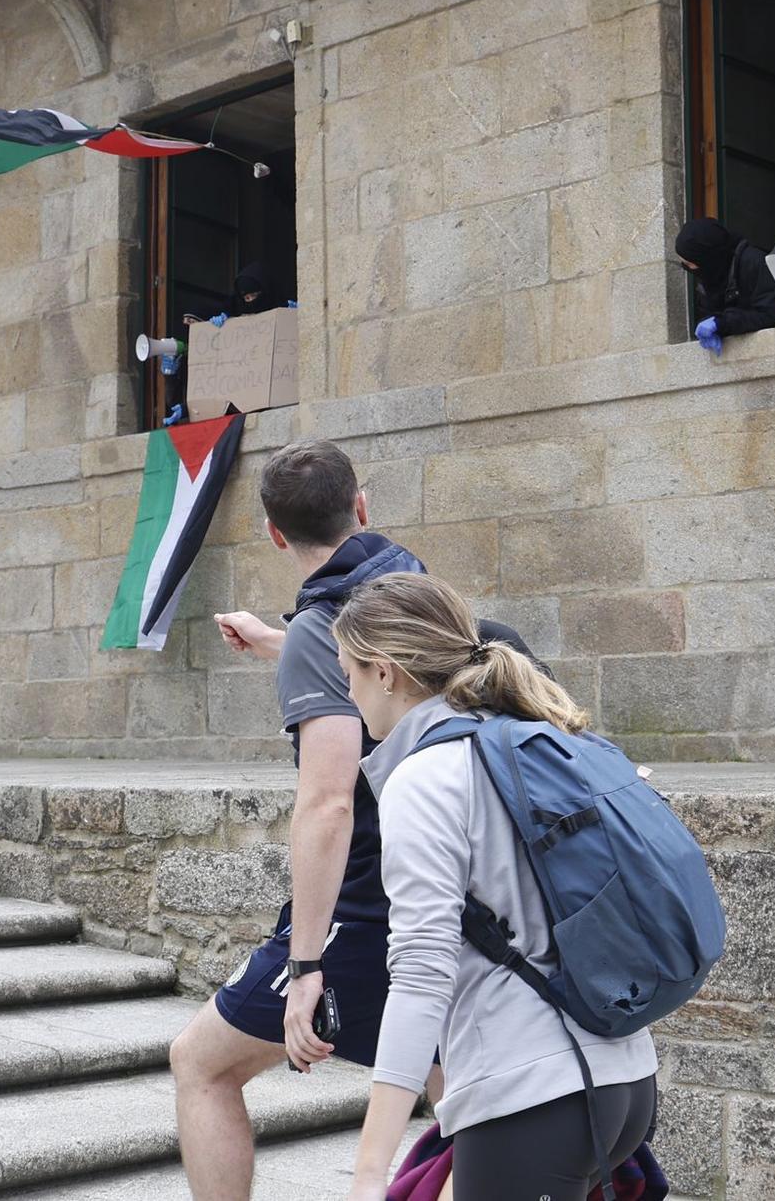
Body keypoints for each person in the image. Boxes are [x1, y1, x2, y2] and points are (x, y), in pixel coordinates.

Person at [168, 440, 533, 1201]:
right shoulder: (417, 589)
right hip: (461, 891)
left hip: (371, 905)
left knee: (200, 1065)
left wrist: (304, 970)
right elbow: (388, 684)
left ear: (274, 534)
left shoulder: (319, 629)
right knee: (462, 1098)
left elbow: (329, 802)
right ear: (361, 508)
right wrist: (285, 643)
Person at [331, 573, 659, 1201]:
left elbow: (422, 972)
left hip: (531, 1098)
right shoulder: (529, 740)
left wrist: (371, 1171)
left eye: (349, 674)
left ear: (386, 673)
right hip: (623, 1076)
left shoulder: (427, 777)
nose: (349, 694)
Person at [675, 217, 775, 355]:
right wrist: (710, 324)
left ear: (706, 258)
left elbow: (774, 314)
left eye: (690, 263)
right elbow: (709, 312)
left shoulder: (753, 263)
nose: (688, 268)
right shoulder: (710, 277)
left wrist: (723, 323)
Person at [185, 261, 289, 327]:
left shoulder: (285, 307)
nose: (251, 301)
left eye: (254, 296)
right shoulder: (233, 309)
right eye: (247, 298)